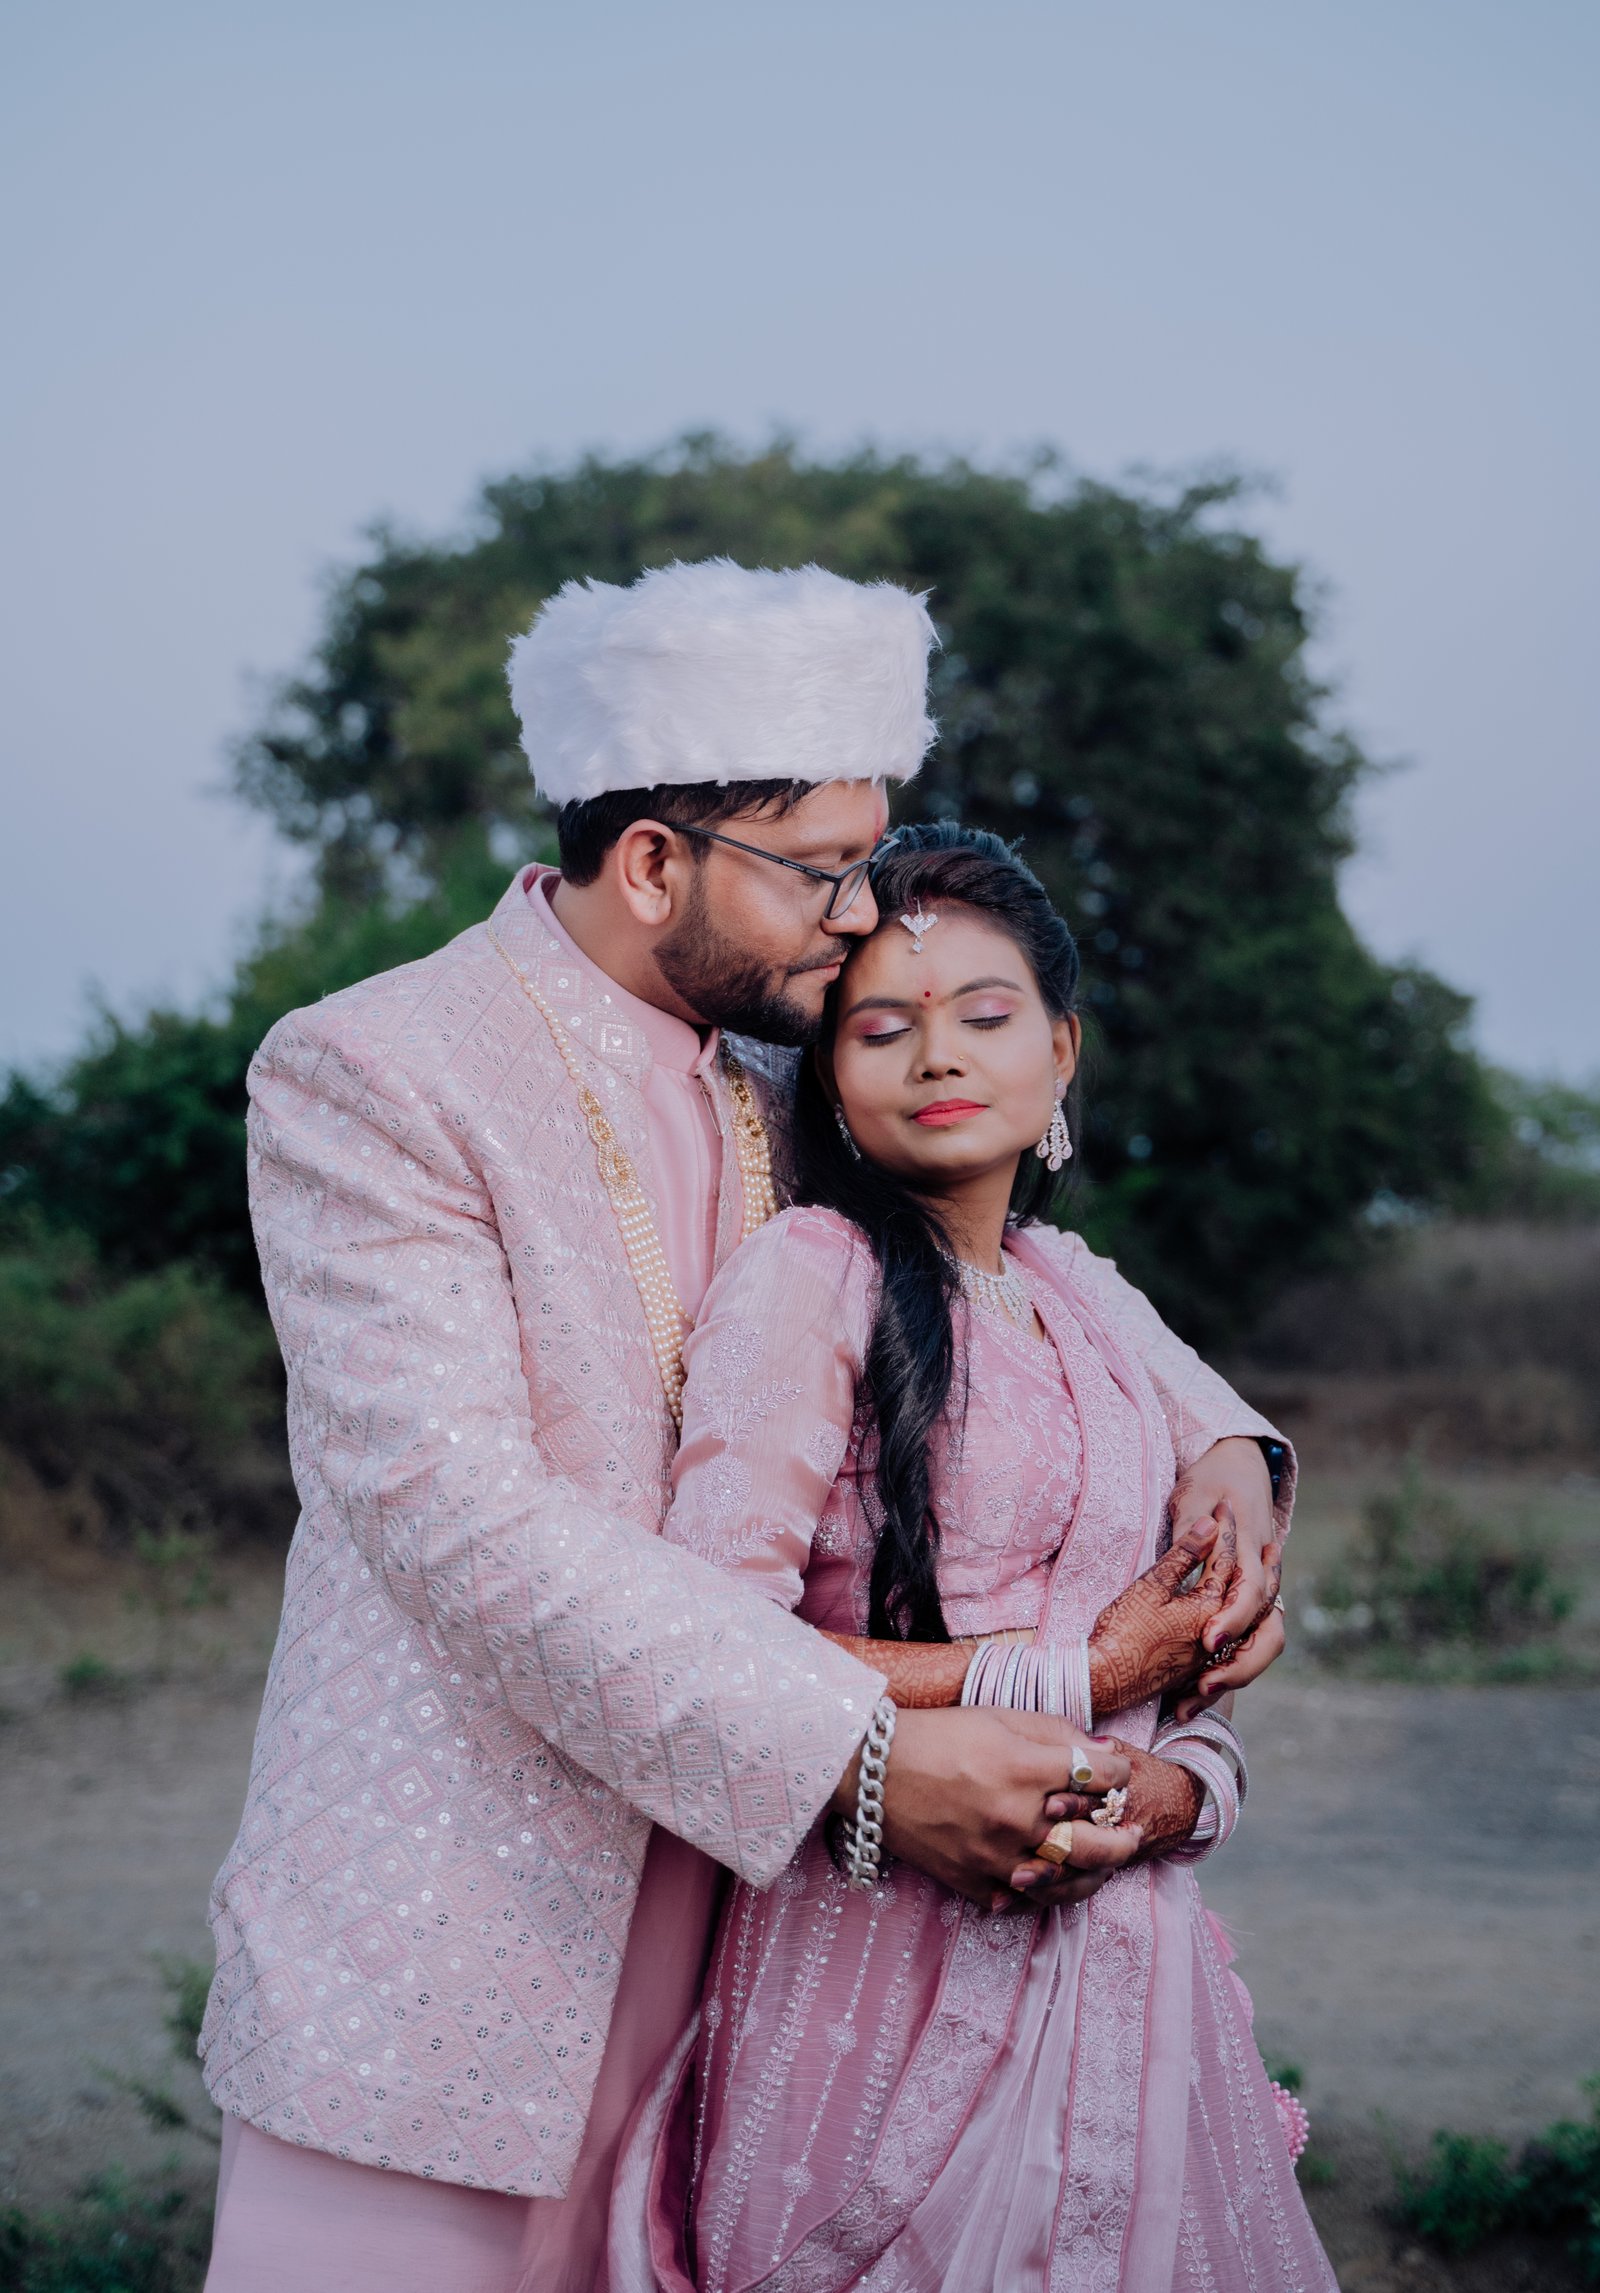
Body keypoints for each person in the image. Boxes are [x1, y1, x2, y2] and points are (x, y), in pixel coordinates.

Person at [199, 559, 1287, 2293]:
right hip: (461, 1920)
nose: (862, 919)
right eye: (821, 869)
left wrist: (1228, 1449)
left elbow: (1015, 1264)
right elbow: (456, 1515)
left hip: (753, 1949)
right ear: (652, 864)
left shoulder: (796, 1066)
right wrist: (872, 1761)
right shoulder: (380, 1068)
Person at [611, 824, 1332, 2293]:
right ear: (829, 1074)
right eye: (882, 1028)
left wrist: (1184, 1790)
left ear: (1061, 1051)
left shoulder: (1080, 1290)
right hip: (873, 1955)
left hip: (1131, 1966)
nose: (937, 1053)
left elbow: (1205, 1590)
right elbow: (708, 1641)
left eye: (985, 1017)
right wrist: (1072, 1678)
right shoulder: (813, 1273)